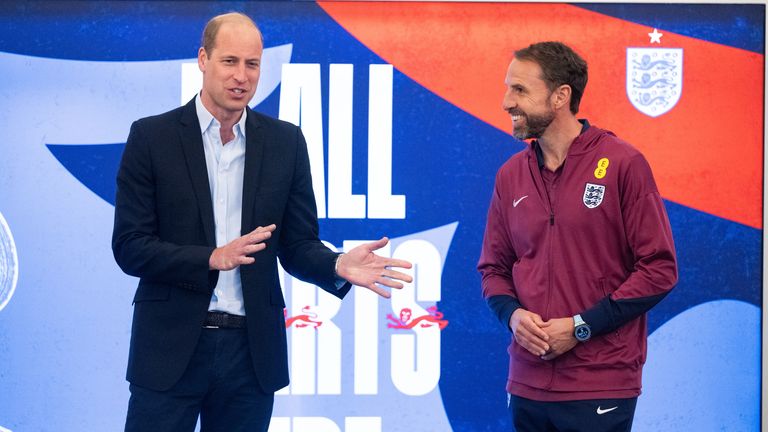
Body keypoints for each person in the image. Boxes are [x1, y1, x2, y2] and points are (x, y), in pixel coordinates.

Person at [112, 12, 412, 432]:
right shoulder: (152, 137)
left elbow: (296, 245)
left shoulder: (285, 142)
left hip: (250, 355)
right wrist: (212, 258)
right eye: (229, 61)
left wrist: (336, 264)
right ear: (203, 59)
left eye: (252, 64)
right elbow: (130, 246)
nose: (241, 76)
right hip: (169, 348)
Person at [477, 41, 677, 432]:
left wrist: (581, 326)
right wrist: (513, 316)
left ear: (560, 96)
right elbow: (493, 269)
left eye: (519, 89)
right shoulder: (509, 175)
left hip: (600, 381)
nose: (506, 102)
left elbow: (659, 269)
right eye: (507, 88)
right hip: (527, 382)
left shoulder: (623, 164)